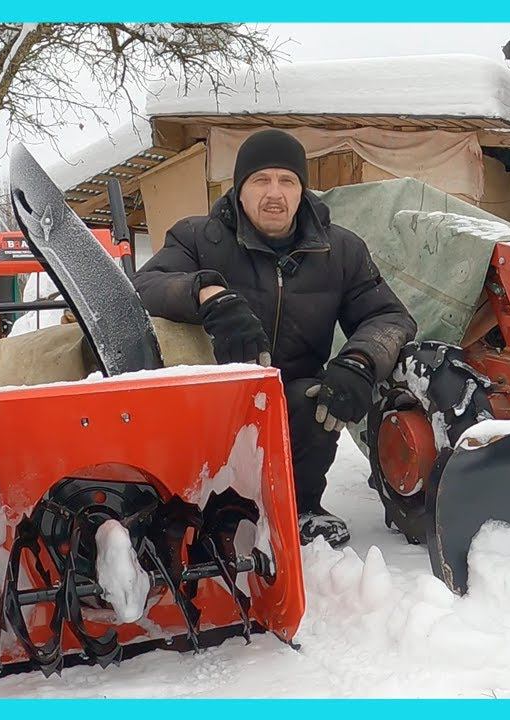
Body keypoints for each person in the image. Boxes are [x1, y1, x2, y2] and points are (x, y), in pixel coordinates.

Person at [133, 129, 417, 548]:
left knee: (318, 396)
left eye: (287, 181)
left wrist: (360, 360)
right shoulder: (198, 237)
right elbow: (144, 286)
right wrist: (210, 295)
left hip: (292, 397)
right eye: (260, 180)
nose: (274, 193)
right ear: (240, 190)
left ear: (302, 190)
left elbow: (389, 316)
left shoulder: (340, 251)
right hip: (211, 396)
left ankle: (302, 507)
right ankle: (190, 510)